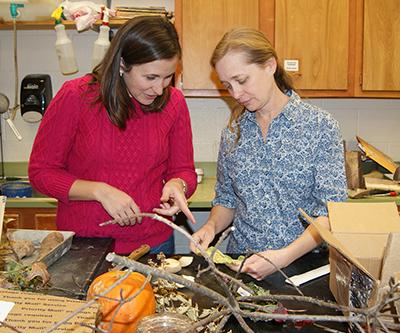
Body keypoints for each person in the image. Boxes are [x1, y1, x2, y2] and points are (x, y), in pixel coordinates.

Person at [29, 16, 197, 255]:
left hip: (153, 243)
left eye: (168, 76)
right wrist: (99, 191)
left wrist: (177, 185)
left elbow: (184, 170)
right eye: (150, 77)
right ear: (121, 64)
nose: (160, 89)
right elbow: (40, 173)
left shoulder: (175, 103)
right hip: (87, 245)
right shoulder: (76, 97)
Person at [190, 27, 347, 280]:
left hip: (302, 268)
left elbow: (331, 213)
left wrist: (282, 256)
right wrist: (211, 226)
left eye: (242, 81)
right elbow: (227, 200)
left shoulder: (320, 126)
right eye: (228, 86)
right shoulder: (233, 133)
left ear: (270, 65)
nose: (236, 94)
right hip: (241, 264)